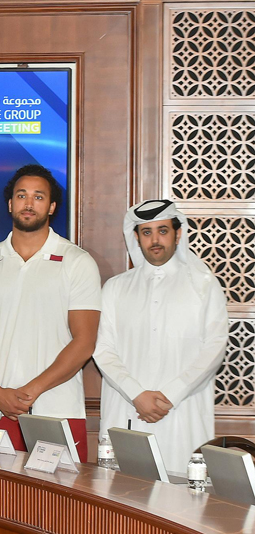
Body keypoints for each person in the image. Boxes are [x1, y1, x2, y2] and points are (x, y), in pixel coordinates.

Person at [0, 165, 101, 461]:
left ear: (51, 207)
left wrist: (31, 392)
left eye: (39, 197)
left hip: (57, 410)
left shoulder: (77, 261)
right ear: (10, 204)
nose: (28, 203)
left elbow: (85, 341)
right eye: (21, 195)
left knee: (60, 506)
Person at [94, 199, 228, 473]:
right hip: (127, 411)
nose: (155, 240)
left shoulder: (203, 284)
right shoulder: (116, 288)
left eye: (163, 231)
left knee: (183, 504)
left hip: (183, 412)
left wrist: (171, 394)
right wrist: (137, 394)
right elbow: (103, 350)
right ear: (136, 237)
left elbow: (214, 348)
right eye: (146, 232)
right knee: (123, 503)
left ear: (178, 234)